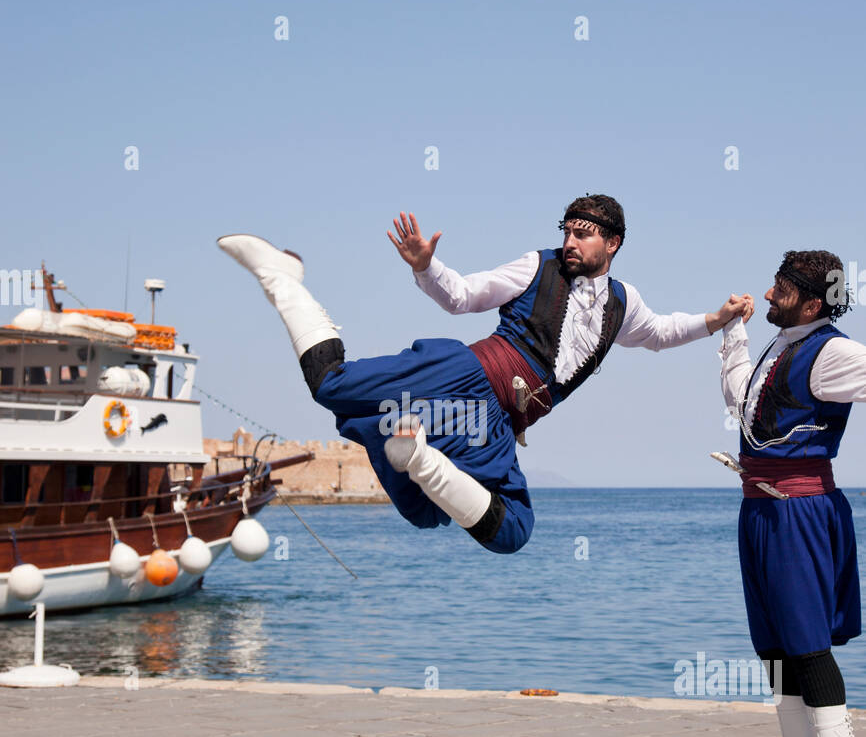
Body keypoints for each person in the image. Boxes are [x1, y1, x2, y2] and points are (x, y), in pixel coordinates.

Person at [218, 194, 748, 555]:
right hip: (464, 376)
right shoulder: (536, 266)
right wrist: (426, 266)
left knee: (501, 528)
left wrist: (716, 320)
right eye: (566, 230)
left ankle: (417, 453)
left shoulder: (623, 302)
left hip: (496, 421)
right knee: (332, 385)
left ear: (612, 243)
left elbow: (659, 332)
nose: (570, 241)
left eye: (583, 234)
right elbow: (463, 296)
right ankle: (282, 277)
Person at [718, 249, 865, 737]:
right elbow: (741, 408)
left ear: (810, 300)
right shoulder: (781, 348)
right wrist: (732, 334)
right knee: (774, 649)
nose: (770, 292)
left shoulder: (833, 350)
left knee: (807, 647)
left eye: (781, 287)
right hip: (758, 508)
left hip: (801, 509)